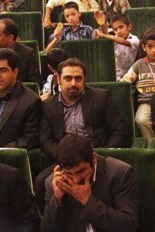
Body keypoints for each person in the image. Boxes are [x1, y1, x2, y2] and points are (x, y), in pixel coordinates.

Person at [37, 134, 155, 232]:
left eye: (80, 171)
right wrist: (58, 200)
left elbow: (128, 225)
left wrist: (88, 201)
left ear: (93, 159)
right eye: (69, 173)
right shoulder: (54, 183)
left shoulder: (120, 174)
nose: (75, 179)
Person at [37, 58, 130, 204]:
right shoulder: (48, 105)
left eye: (78, 78)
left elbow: (119, 129)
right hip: (64, 161)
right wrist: (62, 157)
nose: (73, 83)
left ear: (84, 79)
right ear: (58, 79)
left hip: (95, 158)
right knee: (41, 181)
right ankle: (55, 214)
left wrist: (104, 154)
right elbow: (45, 139)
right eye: (68, 78)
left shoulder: (101, 98)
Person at [122, 29, 155, 140]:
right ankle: (152, 145)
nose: (154, 50)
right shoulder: (139, 64)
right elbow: (124, 82)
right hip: (146, 102)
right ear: (143, 47)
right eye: (150, 47)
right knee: (142, 120)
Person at [95, 13, 140, 80]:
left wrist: (104, 35)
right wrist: (103, 22)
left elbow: (122, 41)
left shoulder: (135, 40)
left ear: (129, 27)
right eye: (115, 29)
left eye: (121, 27)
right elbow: (105, 32)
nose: (118, 31)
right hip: (119, 76)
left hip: (134, 75)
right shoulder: (114, 38)